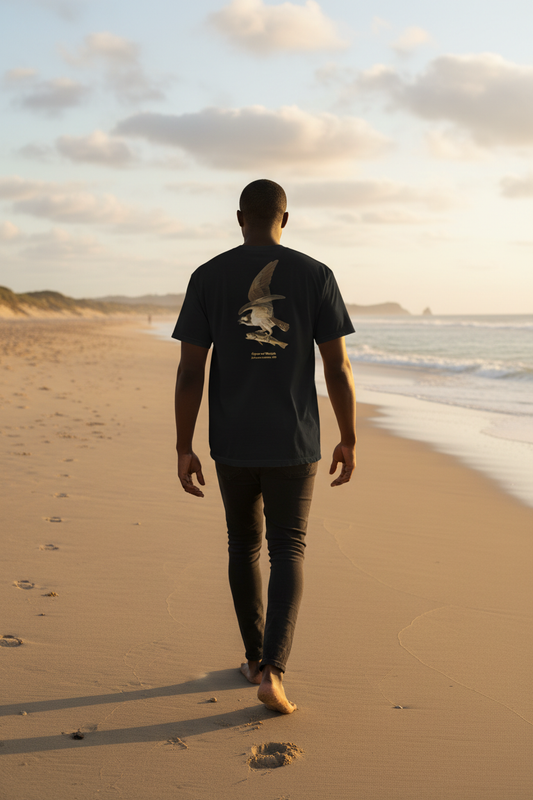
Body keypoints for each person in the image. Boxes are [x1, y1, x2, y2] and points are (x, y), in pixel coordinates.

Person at [173, 179, 356, 714]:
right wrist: (348, 436)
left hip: (231, 442)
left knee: (243, 546)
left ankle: (254, 659)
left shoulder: (207, 276)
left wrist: (183, 446)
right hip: (295, 442)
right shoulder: (316, 275)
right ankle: (274, 671)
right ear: (286, 217)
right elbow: (337, 366)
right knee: (288, 549)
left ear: (238, 218)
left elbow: (190, 372)